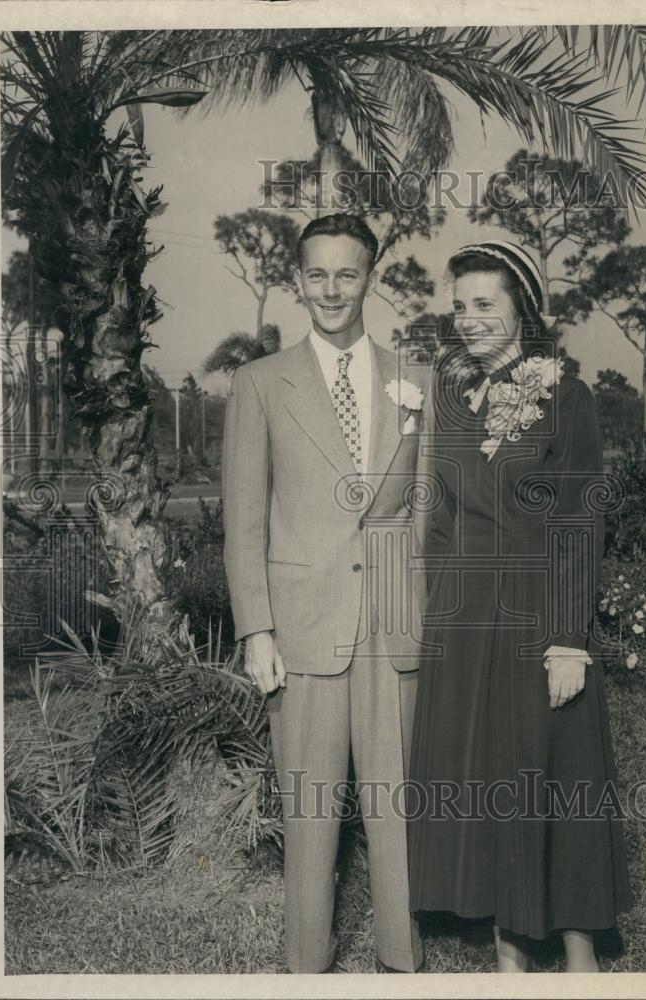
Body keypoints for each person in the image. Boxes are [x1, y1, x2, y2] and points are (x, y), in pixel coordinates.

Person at [407, 240, 633, 972]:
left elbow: (578, 519)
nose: (468, 320)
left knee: (554, 773)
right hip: (466, 618)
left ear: (523, 312)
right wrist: (436, 607)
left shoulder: (565, 394)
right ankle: (506, 948)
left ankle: (579, 953)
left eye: (485, 305)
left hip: (538, 614)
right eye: (460, 305)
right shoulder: (448, 391)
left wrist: (569, 638)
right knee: (485, 778)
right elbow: (438, 514)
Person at [222, 212, 430, 974]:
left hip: (393, 627)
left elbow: (428, 516)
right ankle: (306, 965)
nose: (332, 289)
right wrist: (257, 632)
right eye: (318, 274)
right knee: (310, 810)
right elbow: (244, 522)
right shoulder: (259, 384)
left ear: (370, 277)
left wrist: (424, 619)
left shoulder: (418, 379)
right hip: (303, 631)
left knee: (396, 807)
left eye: (348, 273)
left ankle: (402, 961)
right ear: (297, 282)